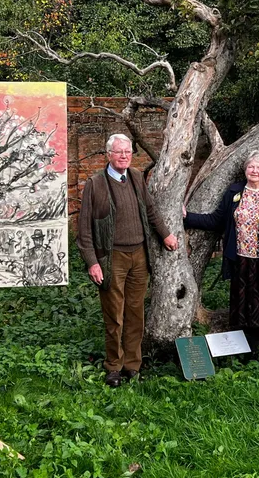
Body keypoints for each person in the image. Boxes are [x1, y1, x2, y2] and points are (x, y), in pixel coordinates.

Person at [77, 133, 179, 387]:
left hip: (139, 255)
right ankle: (114, 366)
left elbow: (151, 209)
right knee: (114, 314)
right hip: (112, 257)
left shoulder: (135, 177)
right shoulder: (95, 183)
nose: (124, 156)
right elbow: (84, 229)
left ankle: (132, 365)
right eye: (119, 152)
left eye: (128, 152)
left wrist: (165, 235)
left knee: (135, 313)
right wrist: (92, 262)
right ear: (109, 154)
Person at [183, 151, 259, 363]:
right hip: (241, 260)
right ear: (245, 170)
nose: (254, 171)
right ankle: (249, 350)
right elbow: (217, 220)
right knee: (246, 306)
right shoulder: (235, 192)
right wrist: (187, 217)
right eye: (251, 167)